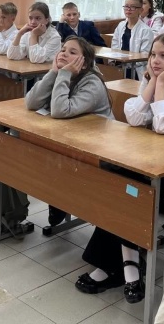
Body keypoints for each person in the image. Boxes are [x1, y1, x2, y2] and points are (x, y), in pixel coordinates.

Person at [76, 33, 164, 301]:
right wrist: (152, 84)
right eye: (153, 55)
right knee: (116, 179)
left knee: (125, 186)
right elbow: (135, 119)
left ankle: (118, 266)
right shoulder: (151, 81)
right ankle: (130, 268)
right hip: (151, 160)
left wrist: (160, 84)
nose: (156, 61)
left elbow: (163, 126)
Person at [25, 36, 113, 226]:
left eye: (73, 52)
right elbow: (31, 102)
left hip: (98, 148)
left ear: (84, 63)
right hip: (71, 139)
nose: (64, 53)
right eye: (63, 49)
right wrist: (53, 72)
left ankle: (61, 201)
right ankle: (58, 201)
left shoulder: (92, 83)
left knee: (53, 160)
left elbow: (59, 110)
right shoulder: (63, 73)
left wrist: (62, 74)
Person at [111, 0, 152, 78]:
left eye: (133, 7)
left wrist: (129, 64)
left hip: (136, 70)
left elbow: (145, 54)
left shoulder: (146, 30)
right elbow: (115, 44)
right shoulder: (121, 25)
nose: (128, 9)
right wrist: (114, 60)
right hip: (120, 66)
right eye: (126, 6)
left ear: (141, 10)